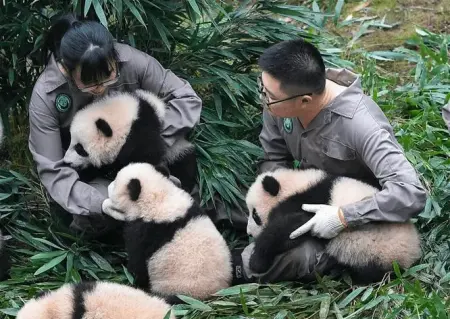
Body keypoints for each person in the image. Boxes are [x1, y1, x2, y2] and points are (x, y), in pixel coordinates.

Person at [232, 38, 427, 284]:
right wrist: (275, 201)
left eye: (268, 95)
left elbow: (410, 193)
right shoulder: (281, 101)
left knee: (288, 257)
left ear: (304, 101)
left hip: (358, 222)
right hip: (307, 196)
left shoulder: (362, 126)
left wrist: (343, 217)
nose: (263, 99)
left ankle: (229, 268)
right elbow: (273, 158)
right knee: (230, 199)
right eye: (262, 87)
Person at [28, 14, 202, 236]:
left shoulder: (131, 61)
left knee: (176, 172)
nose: (100, 87)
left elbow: (187, 98)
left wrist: (147, 139)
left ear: (115, 56)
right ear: (66, 70)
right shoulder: (46, 96)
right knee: (92, 217)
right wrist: (99, 203)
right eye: (89, 81)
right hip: (90, 171)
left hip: (140, 154)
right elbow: (53, 171)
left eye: (107, 76)